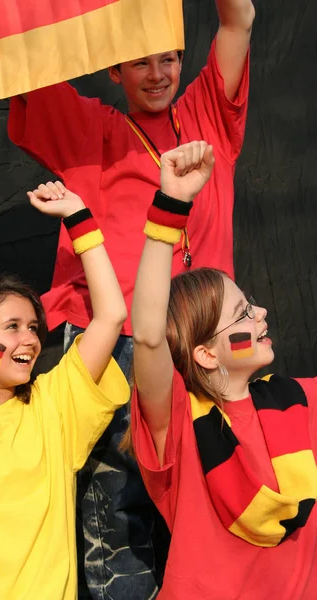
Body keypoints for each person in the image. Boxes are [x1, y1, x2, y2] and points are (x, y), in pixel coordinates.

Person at [8, 2, 255, 595]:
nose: (157, 73)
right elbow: (22, 58)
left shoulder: (207, 115)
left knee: (210, 499)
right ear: (113, 70)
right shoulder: (89, 127)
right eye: (138, 62)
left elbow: (238, 21)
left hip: (200, 347)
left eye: (167, 58)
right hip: (109, 341)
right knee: (116, 512)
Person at [0, 143, 130, 600]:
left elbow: (111, 316)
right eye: (11, 327)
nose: (29, 339)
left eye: (33, 327)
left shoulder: (56, 406)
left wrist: (79, 218)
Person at [130, 140, 317, 599]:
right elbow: (150, 336)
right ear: (206, 354)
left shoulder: (303, 401)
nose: (262, 314)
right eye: (243, 313)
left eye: (251, 304)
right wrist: (171, 206)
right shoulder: (175, 427)